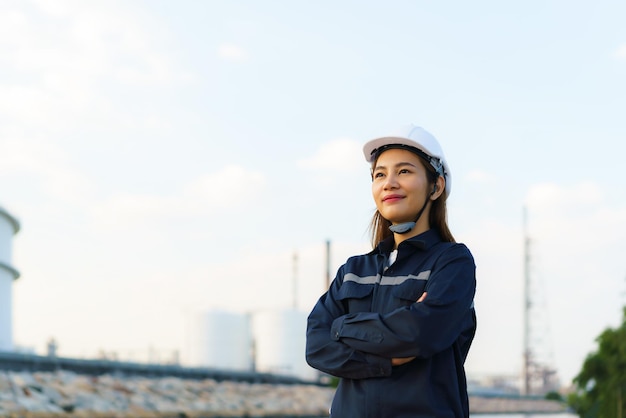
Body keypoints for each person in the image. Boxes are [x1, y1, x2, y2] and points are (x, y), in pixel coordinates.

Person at [305, 124, 477, 418]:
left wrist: (342, 327)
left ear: (436, 186)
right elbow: (316, 345)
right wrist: (386, 359)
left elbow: (419, 333)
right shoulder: (353, 270)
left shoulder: (452, 263)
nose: (389, 183)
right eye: (380, 174)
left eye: (405, 171)